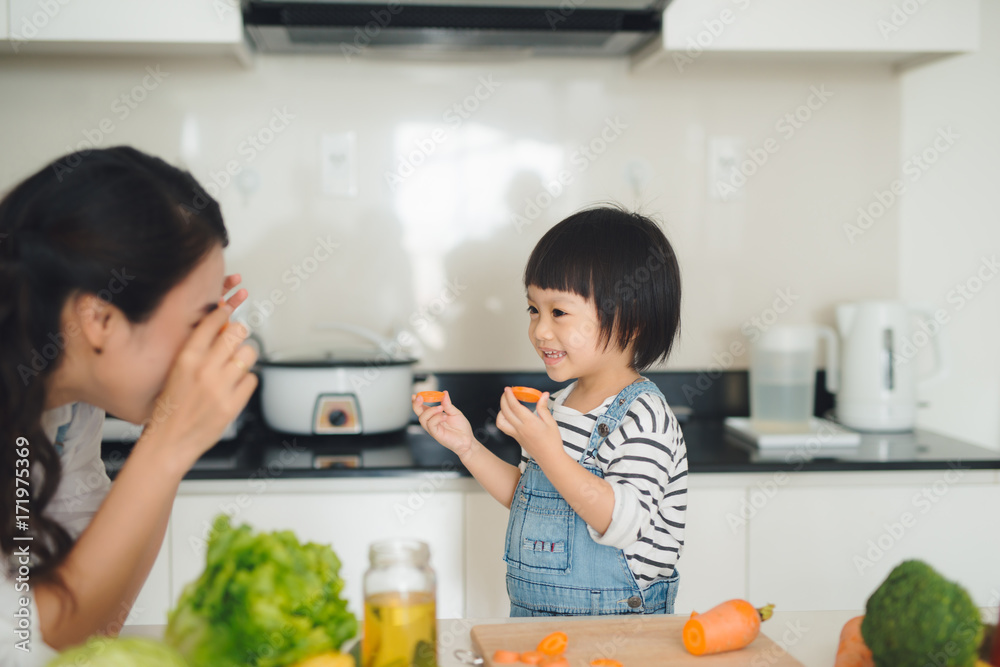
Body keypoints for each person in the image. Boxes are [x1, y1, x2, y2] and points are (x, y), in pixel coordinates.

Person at [0, 146, 258, 664]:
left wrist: (170, 440)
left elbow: (92, 621)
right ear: (98, 320)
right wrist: (167, 443)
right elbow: (25, 644)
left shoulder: (67, 404)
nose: (209, 342)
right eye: (197, 320)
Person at [414, 206, 687, 616]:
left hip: (620, 631)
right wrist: (467, 446)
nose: (540, 330)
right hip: (537, 624)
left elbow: (620, 523)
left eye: (558, 312)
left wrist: (548, 451)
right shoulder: (557, 406)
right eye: (533, 309)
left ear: (630, 321)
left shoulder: (643, 416)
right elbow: (531, 499)